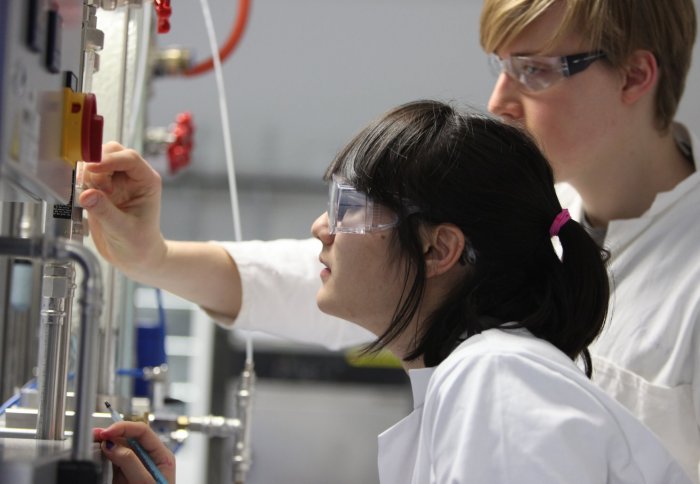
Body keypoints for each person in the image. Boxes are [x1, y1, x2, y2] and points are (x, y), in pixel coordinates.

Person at [81, 0, 700, 480]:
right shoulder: (543, 235)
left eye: (534, 70)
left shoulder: (496, 372)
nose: (499, 101)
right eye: (501, 67)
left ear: (635, 75)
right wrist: (153, 257)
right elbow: (358, 277)